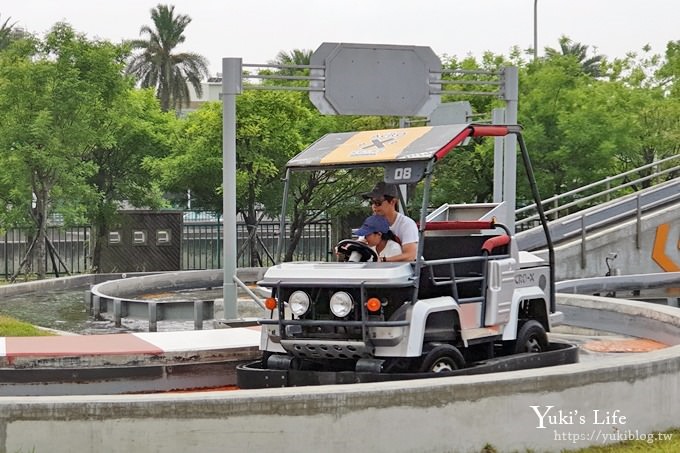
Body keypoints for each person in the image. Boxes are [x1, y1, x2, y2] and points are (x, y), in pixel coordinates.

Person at [362, 181, 418, 262]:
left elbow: (410, 256)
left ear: (392, 202)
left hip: (409, 270)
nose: (374, 206)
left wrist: (382, 260)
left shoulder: (406, 224)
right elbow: (361, 242)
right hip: (381, 271)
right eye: (372, 202)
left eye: (378, 203)